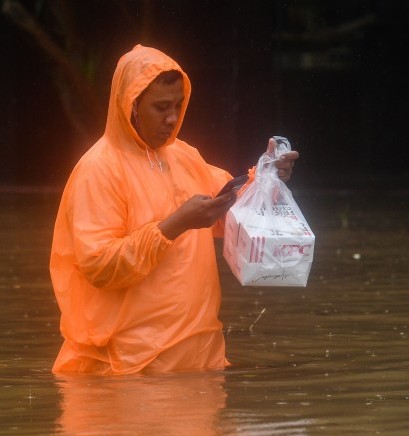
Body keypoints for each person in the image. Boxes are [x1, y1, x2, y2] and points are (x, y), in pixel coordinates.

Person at [49, 44, 298, 375]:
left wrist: (267, 176)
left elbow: (233, 204)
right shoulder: (99, 169)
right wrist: (173, 226)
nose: (173, 118)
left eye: (179, 105)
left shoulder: (183, 156)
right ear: (132, 106)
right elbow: (100, 267)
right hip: (129, 372)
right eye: (161, 107)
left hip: (199, 362)